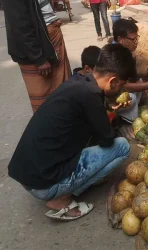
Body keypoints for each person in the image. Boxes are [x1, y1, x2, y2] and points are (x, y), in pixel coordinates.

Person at [8, 44, 135, 221]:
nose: (121, 90)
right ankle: (60, 199)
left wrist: (106, 107)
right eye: (120, 85)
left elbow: (89, 112)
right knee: (122, 147)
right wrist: (111, 117)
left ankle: (68, 185)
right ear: (113, 81)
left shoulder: (78, 83)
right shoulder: (90, 97)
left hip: (28, 173)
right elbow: (107, 139)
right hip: (44, 185)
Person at [3, 0, 72, 113]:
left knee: (64, 91)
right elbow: (19, 25)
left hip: (51, 36)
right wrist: (38, 58)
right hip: (38, 46)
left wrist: (53, 18)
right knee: (45, 103)